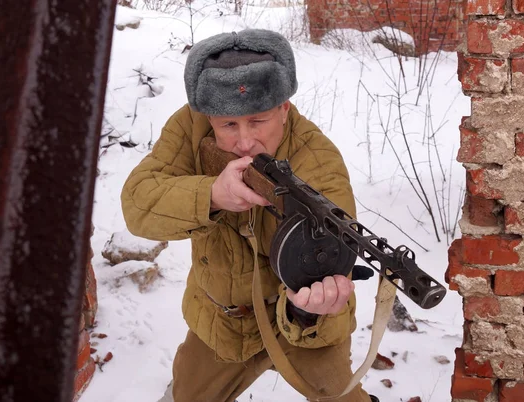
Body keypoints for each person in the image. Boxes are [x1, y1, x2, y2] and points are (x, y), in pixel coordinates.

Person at [121, 29, 377, 402]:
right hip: (223, 322)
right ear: (207, 118)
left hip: (302, 326)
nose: (244, 142)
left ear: (283, 110)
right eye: (228, 125)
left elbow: (333, 258)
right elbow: (137, 204)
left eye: (258, 122)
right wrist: (210, 195)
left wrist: (308, 310)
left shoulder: (317, 160)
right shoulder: (189, 129)